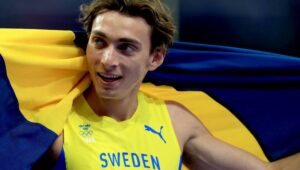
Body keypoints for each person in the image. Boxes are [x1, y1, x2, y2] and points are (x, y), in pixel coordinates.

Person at [44, 0, 300, 169]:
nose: (108, 60)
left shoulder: (175, 121)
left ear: (155, 58)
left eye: (126, 48)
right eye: (99, 42)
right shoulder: (53, 121)